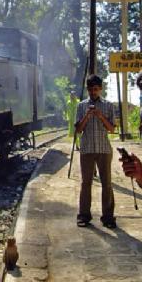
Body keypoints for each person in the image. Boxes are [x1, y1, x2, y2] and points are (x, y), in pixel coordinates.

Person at [75, 74, 116, 228]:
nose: (93, 92)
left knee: (107, 184)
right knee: (86, 183)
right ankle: (84, 215)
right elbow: (78, 130)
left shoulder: (108, 105)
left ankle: (108, 217)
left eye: (96, 89)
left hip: (104, 149)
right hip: (87, 150)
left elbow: (111, 129)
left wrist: (100, 116)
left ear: (101, 89)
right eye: (91, 90)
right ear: (88, 90)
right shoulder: (81, 106)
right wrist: (87, 115)